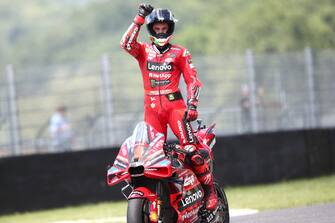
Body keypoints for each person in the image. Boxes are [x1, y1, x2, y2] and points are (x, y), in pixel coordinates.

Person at [120, 4, 218, 210]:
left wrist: (192, 105)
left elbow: (193, 81)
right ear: (151, 29)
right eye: (157, 28)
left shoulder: (181, 53)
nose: (161, 31)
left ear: (170, 28)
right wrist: (139, 18)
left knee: (192, 151)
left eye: (164, 28)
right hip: (152, 111)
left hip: (176, 109)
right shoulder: (143, 51)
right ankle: (160, 200)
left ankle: (210, 192)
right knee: (147, 158)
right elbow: (126, 44)